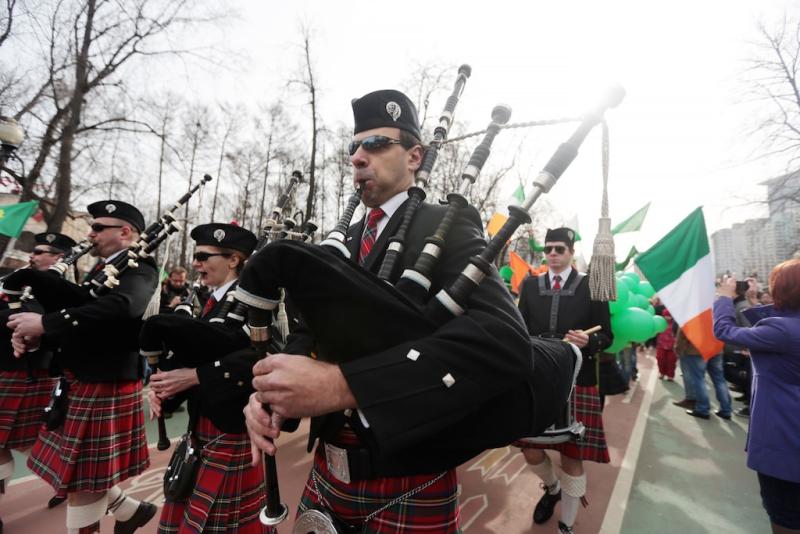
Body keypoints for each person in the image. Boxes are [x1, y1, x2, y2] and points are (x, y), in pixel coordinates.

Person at [243, 89, 532, 533]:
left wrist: (342, 385)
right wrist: (277, 391)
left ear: (415, 156)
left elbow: (505, 343)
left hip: (410, 473)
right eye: (354, 147)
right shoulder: (342, 242)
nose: (358, 156)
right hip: (328, 469)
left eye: (376, 144)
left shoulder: (447, 225)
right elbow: (312, 332)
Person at [7, 201, 158, 534]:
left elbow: (124, 306)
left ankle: (129, 513)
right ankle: (131, 511)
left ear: (125, 232)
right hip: (80, 377)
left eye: (98, 227)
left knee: (81, 483)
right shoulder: (102, 269)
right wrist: (36, 337)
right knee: (80, 476)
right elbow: (83, 320)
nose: (90, 234)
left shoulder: (141, 267)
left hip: (107, 379)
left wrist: (45, 323)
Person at [147, 223, 271, 534]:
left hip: (232, 426)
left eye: (204, 256)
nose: (196, 263)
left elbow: (262, 359)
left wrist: (196, 376)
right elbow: (194, 354)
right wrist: (165, 389)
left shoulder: (255, 299)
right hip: (201, 429)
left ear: (233, 260)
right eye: (195, 256)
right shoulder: (209, 301)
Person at [514, 227, 613, 534]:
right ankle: (552, 487)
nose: (553, 254)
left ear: (571, 252)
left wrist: (589, 341)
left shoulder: (592, 285)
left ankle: (567, 525)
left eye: (559, 249)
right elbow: (520, 329)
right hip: (539, 378)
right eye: (549, 249)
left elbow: (607, 335)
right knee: (529, 448)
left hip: (577, 379)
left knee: (572, 456)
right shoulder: (530, 285)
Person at [713, 261, 800, 533]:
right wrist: (752, 301)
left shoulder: (782, 331)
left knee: (785, 517)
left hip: (785, 440)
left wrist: (724, 298)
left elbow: (724, 331)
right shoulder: (785, 329)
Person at [0, 232, 77, 524]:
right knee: (17, 444)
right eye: (35, 250)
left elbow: (41, 324)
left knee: (37, 447)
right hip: (8, 370)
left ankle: (112, 500)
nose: (35, 255)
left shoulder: (62, 290)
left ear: (59, 258)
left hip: (28, 374)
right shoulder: (18, 280)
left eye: (43, 251)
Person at [655, 310, 677, 380]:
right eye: (666, 316)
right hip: (661, 345)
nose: (667, 317)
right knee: (660, 359)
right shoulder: (661, 323)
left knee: (671, 361)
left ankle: (670, 375)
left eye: (669, 316)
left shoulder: (675, 324)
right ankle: (662, 373)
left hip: (672, 346)